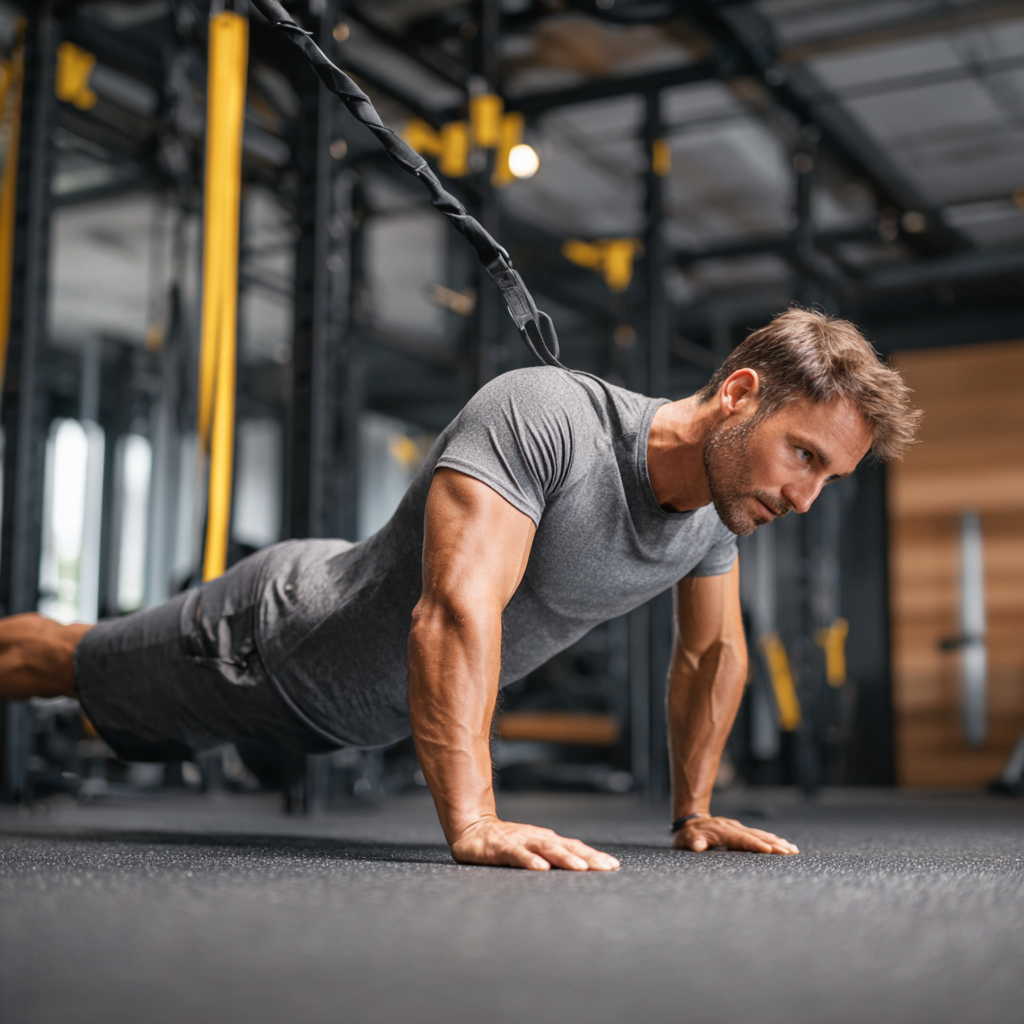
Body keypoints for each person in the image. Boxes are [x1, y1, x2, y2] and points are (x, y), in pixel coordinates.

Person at [0, 307, 919, 871]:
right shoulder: (545, 416)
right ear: (740, 394)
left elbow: (712, 652)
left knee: (92, 698)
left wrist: (694, 809)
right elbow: (454, 610)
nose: (804, 498)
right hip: (267, 646)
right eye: (803, 455)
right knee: (58, 662)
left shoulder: (718, 514)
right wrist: (473, 821)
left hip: (341, 718)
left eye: (829, 480)